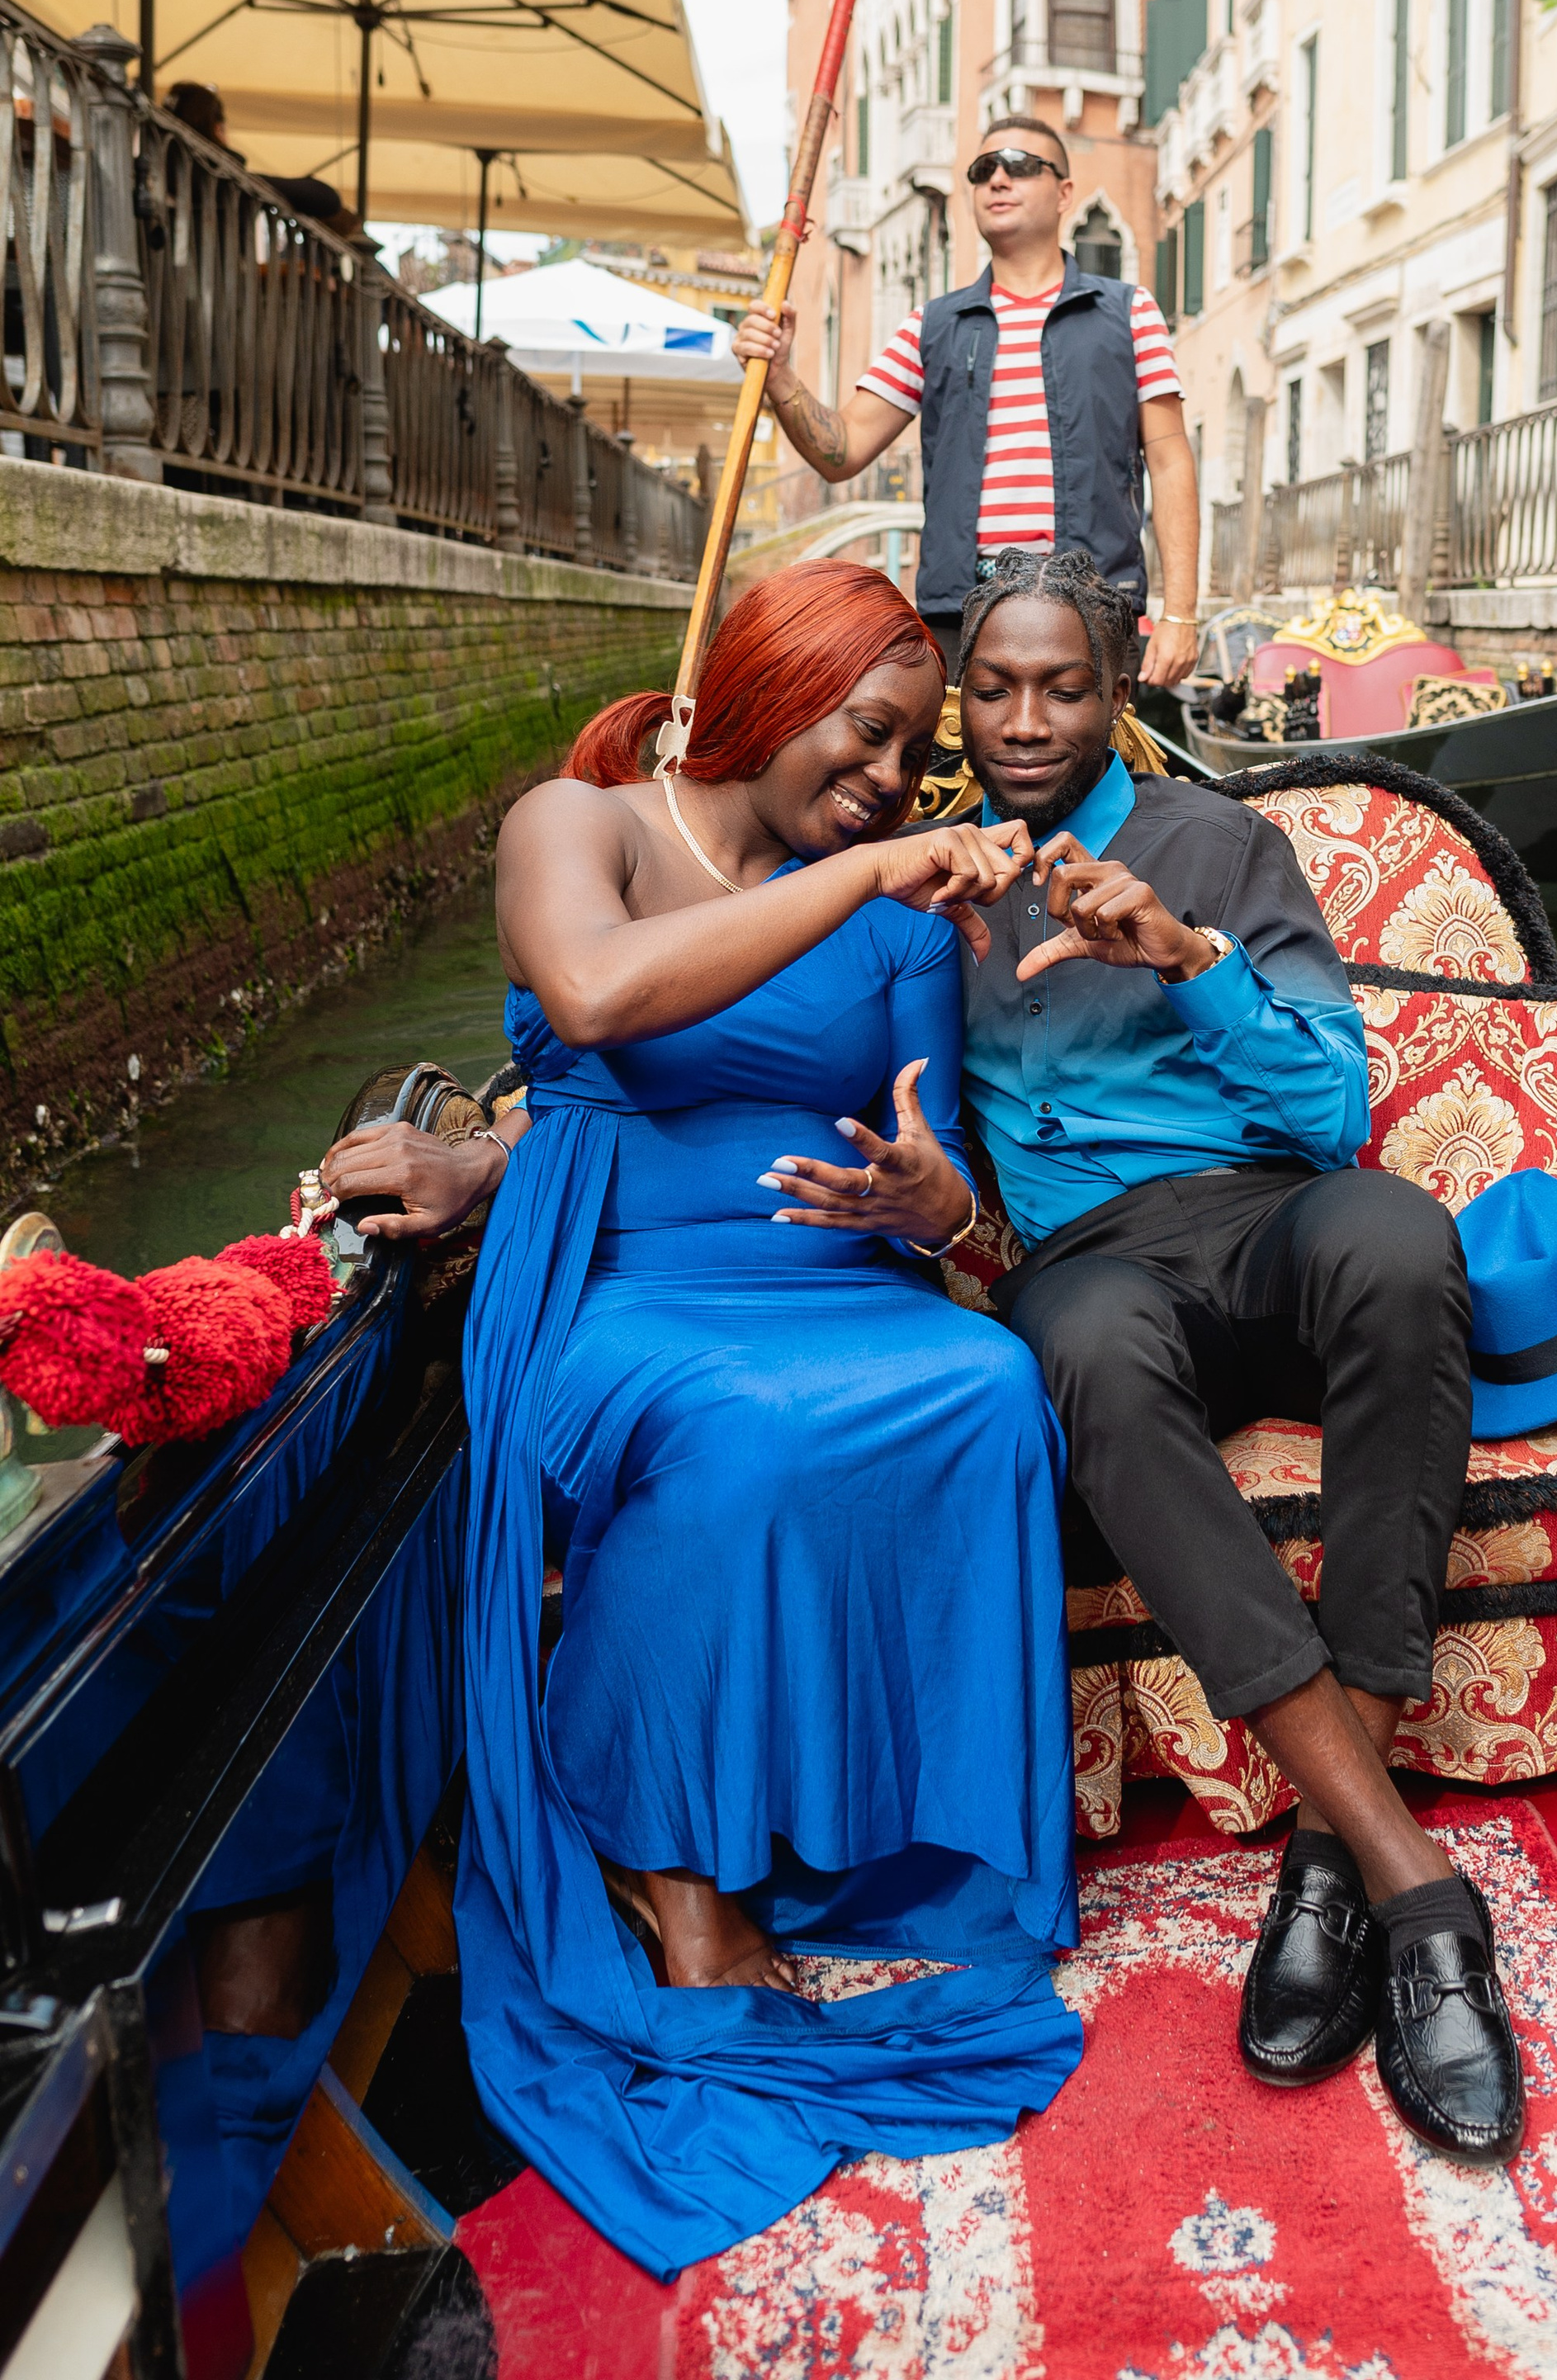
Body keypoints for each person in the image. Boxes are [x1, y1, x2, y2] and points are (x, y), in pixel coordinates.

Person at [318, 561, 1080, 2276]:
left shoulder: (895, 928)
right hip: (625, 1285)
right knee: (738, 1430)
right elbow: (592, 1005)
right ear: (763, 684)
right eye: (868, 736)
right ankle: (675, 1867)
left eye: (910, 757)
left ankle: (901, 1837)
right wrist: (479, 1158)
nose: (888, 782)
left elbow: (941, 1166)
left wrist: (931, 1200)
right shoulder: (574, 824)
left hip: (841, 1280)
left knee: (982, 1383)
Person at [768, 547, 1526, 2164]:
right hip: (1091, 1263)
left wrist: (1185, 963)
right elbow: (923, 1157)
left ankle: (1334, 1852)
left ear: (1120, 696)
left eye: (1064, 685)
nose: (1028, 718)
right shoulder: (914, 881)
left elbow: (1337, 1119)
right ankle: (1398, 1877)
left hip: (1268, 1216)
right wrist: (930, 1200)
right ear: (961, 703)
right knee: (1082, 1342)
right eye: (997, 687)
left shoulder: (1219, 843)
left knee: (1396, 1233)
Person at [733, 117, 1201, 687]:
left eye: (1022, 165)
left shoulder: (1130, 314)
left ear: (1065, 194)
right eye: (983, 170)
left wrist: (1181, 615)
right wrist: (780, 376)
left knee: (1096, 778)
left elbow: (1172, 461)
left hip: (1094, 611)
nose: (998, 179)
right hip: (963, 616)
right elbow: (843, 451)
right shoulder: (930, 327)